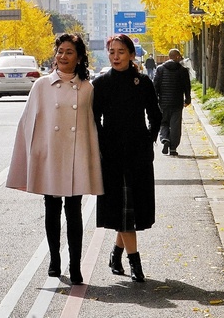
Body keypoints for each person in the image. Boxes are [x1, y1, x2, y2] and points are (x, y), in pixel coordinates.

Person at [7, 34, 103, 282]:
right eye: (60, 51)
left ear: (79, 58)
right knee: (51, 207)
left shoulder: (87, 88)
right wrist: (33, 153)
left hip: (75, 155)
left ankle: (75, 265)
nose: (63, 56)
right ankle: (54, 259)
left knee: (74, 210)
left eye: (69, 52)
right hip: (50, 153)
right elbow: (28, 122)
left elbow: (92, 125)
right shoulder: (41, 85)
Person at [93, 33, 161, 283]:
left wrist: (148, 140)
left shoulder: (143, 82)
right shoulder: (100, 84)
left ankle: (116, 255)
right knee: (122, 209)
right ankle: (135, 263)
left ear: (132, 55)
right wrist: (103, 144)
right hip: (112, 154)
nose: (116, 56)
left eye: (121, 52)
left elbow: (155, 115)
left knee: (130, 210)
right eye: (112, 52)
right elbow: (94, 119)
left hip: (138, 154)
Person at [153, 48, 191, 157]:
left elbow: (155, 86)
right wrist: (187, 99)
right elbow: (187, 87)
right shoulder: (183, 70)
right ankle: (173, 148)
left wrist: (155, 100)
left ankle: (165, 139)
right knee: (175, 125)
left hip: (163, 103)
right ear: (177, 57)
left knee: (163, 123)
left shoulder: (160, 69)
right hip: (177, 103)